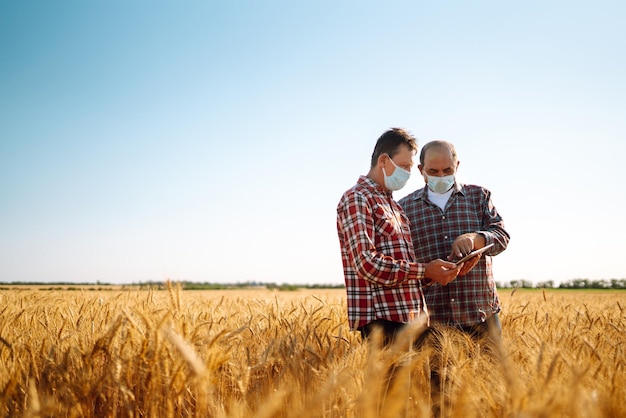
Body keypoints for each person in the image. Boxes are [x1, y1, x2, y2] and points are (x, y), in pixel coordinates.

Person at [336, 128, 461, 347]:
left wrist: (434, 274)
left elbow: (404, 268)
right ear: (384, 160)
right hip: (382, 320)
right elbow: (366, 263)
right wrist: (424, 270)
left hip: (408, 317)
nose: (407, 174)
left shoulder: (394, 206)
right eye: (404, 167)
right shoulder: (357, 198)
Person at [398, 140, 510, 343]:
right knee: (440, 376)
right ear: (421, 170)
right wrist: (427, 272)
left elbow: (502, 236)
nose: (441, 176)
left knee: (493, 375)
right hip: (434, 320)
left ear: (457, 166)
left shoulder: (479, 196)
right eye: (433, 171)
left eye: (447, 169)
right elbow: (402, 261)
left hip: (481, 313)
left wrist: (475, 238)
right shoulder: (403, 208)